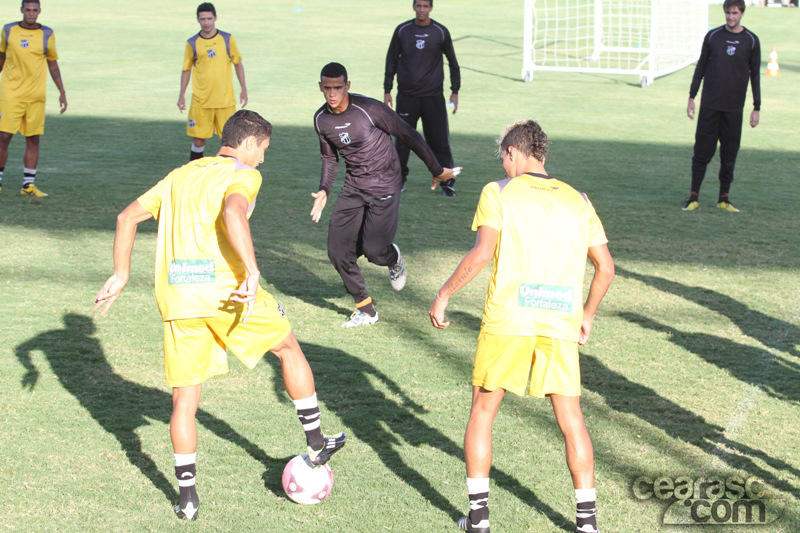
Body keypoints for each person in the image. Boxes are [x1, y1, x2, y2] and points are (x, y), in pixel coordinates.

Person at [94, 110, 346, 521]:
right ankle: (316, 442)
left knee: (185, 400)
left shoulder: (180, 174)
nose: (263, 158)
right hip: (227, 292)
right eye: (263, 149)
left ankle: (188, 499)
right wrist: (251, 269)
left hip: (178, 298)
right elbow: (232, 213)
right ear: (249, 143)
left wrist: (121, 274)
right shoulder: (243, 175)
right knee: (287, 348)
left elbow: (126, 218)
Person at [429, 120, 614, 533]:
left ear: (513, 153)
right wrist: (586, 315)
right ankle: (587, 525)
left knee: (483, 412)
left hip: (509, 320)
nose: (504, 167)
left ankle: (478, 520)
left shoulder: (498, 192)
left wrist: (443, 295)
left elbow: (481, 255)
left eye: (503, 159)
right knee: (572, 420)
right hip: (559, 321)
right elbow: (606, 268)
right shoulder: (579, 200)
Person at [311, 62, 457, 328]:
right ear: (321, 87)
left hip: (385, 184)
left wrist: (436, 169)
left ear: (347, 86)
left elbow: (408, 134)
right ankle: (366, 310)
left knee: (374, 251)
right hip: (354, 187)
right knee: (337, 251)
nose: (332, 93)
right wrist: (324, 189)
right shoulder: (321, 119)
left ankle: (392, 258)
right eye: (327, 88)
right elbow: (329, 158)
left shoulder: (369, 109)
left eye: (338, 87)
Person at [683, 0, 760, 213]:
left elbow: (755, 77)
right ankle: (693, 197)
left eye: (734, 13)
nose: (730, 17)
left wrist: (757, 107)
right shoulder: (713, 37)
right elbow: (701, 67)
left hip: (734, 108)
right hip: (710, 106)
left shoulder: (751, 41)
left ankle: (724, 199)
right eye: (727, 12)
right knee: (701, 152)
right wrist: (692, 96)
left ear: (742, 13)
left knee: (729, 154)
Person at [384, 0, 460, 197]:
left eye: (426, 6)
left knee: (440, 141)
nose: (422, 10)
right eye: (419, 6)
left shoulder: (440, 32)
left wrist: (455, 91)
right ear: (413, 7)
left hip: (433, 97)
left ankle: (447, 183)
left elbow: (453, 62)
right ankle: (397, 182)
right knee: (402, 141)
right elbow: (391, 60)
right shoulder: (402, 31)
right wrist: (387, 90)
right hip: (407, 96)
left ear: (431, 8)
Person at [0, 0, 67, 197]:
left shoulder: (47, 34)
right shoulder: (8, 30)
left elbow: (53, 64)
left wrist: (62, 91)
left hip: (35, 96)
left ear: (39, 12)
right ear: (22, 10)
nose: (31, 14)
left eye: (34, 10)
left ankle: (28, 185)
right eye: (27, 10)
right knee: (3, 137)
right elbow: (1, 57)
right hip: (10, 93)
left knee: (33, 138)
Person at [177, 2, 247, 162]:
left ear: (215, 18)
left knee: (230, 142)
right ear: (198, 20)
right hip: (201, 102)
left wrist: (243, 88)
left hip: (225, 101)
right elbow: (186, 69)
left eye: (209, 18)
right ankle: (194, 173)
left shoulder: (227, 39)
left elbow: (238, 63)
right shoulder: (192, 43)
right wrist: (181, 95)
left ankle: (228, 174)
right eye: (203, 19)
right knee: (198, 140)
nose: (206, 22)